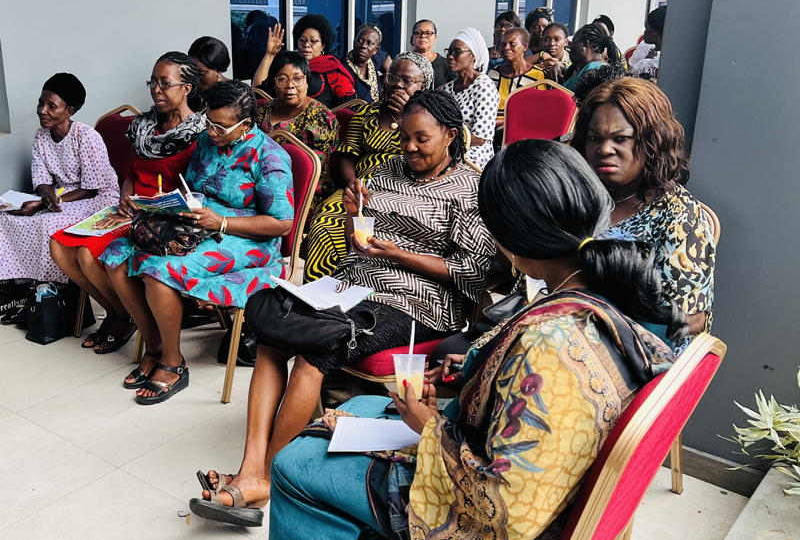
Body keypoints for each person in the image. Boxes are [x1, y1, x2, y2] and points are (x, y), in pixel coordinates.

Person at [263, 138, 681, 539]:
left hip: (474, 511)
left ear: (511, 240)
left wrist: (429, 427)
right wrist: (481, 369)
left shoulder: (547, 345)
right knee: (356, 409)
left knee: (292, 464)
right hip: (537, 479)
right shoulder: (608, 294)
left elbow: (504, 512)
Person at [190, 90, 496, 526]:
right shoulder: (389, 170)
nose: (408, 148)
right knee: (273, 338)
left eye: (421, 139)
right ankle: (252, 468)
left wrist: (397, 256)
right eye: (404, 137)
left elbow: (472, 273)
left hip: (415, 300)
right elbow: (363, 240)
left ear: (450, 135)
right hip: (351, 283)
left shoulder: (470, 189)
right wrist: (357, 219)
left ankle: (270, 478)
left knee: (317, 352)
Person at [102, 80, 294, 404]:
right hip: (197, 222)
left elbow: (281, 223)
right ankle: (154, 345)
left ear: (246, 124)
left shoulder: (269, 157)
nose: (211, 131)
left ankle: (174, 363)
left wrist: (221, 222)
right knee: (117, 256)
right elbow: (192, 187)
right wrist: (169, 203)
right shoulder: (207, 141)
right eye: (209, 122)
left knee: (158, 271)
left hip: (244, 237)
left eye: (220, 126)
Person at [51, 52, 205, 353]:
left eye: (165, 83)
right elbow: (131, 173)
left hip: (163, 217)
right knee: (59, 246)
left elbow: (198, 192)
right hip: (130, 208)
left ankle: (125, 317)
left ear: (186, 88)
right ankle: (119, 313)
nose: (155, 90)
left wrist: (156, 205)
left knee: (86, 256)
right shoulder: (145, 127)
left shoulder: (199, 134)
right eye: (153, 82)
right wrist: (125, 197)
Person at [570, 77, 716, 350]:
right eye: (594, 138)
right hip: (556, 339)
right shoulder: (578, 200)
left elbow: (690, 318)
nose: (604, 149)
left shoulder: (679, 216)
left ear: (653, 140)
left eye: (621, 138)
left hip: (636, 361)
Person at [303, 52, 434, 282]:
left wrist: (408, 117)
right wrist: (353, 186)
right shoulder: (366, 113)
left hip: (403, 192)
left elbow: (427, 161)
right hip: (359, 189)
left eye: (408, 80)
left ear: (424, 85)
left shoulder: (430, 123)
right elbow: (347, 156)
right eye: (392, 77)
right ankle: (319, 300)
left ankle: (365, 291)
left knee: (382, 235)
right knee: (324, 224)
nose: (398, 86)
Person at [0, 74, 118, 291]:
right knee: (8, 217)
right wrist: (45, 196)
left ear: (69, 111)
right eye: (41, 103)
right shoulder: (41, 136)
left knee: (49, 222)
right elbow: (42, 180)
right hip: (61, 194)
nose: (42, 110)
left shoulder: (86, 137)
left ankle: (51, 288)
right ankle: (19, 286)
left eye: (51, 106)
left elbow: (90, 189)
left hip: (99, 197)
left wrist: (46, 203)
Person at [257, 51, 339, 213]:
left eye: (297, 78)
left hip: (305, 193)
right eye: (282, 79)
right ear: (273, 83)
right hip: (260, 184)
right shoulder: (262, 111)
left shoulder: (321, 118)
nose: (290, 85)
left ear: (307, 82)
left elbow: (316, 172)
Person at [253, 15, 357, 108]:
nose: (306, 44)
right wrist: (270, 54)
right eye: (302, 40)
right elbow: (258, 93)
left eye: (313, 41)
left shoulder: (331, 67)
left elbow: (350, 105)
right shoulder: (287, 64)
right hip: (282, 123)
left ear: (323, 45)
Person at [439, 27, 500, 169]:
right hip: (446, 148)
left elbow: (480, 138)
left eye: (457, 52)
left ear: (473, 56)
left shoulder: (484, 86)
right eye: (449, 52)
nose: (450, 56)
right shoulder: (448, 89)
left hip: (473, 155)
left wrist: (441, 143)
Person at [487, 28, 545, 121]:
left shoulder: (537, 75)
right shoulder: (494, 74)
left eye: (512, 44)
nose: (506, 48)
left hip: (521, 128)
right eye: (503, 44)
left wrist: (503, 123)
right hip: (491, 128)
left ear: (525, 47)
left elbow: (536, 112)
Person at [342, 23, 392, 103]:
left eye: (370, 43)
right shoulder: (343, 68)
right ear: (354, 42)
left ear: (376, 50)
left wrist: (388, 75)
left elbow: (386, 57)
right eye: (360, 40)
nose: (363, 46)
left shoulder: (373, 60)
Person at [562, 23, 619, 92]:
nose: (569, 46)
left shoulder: (594, 71)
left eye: (573, 42)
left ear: (585, 44)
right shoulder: (585, 67)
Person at [410, 19, 454, 88]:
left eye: (428, 33)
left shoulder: (448, 65)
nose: (423, 36)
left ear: (435, 38)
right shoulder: (403, 63)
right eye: (418, 33)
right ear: (412, 38)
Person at [631, 5, 667, 80]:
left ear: (655, 31)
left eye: (647, 28)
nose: (644, 32)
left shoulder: (659, 61)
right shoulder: (646, 50)